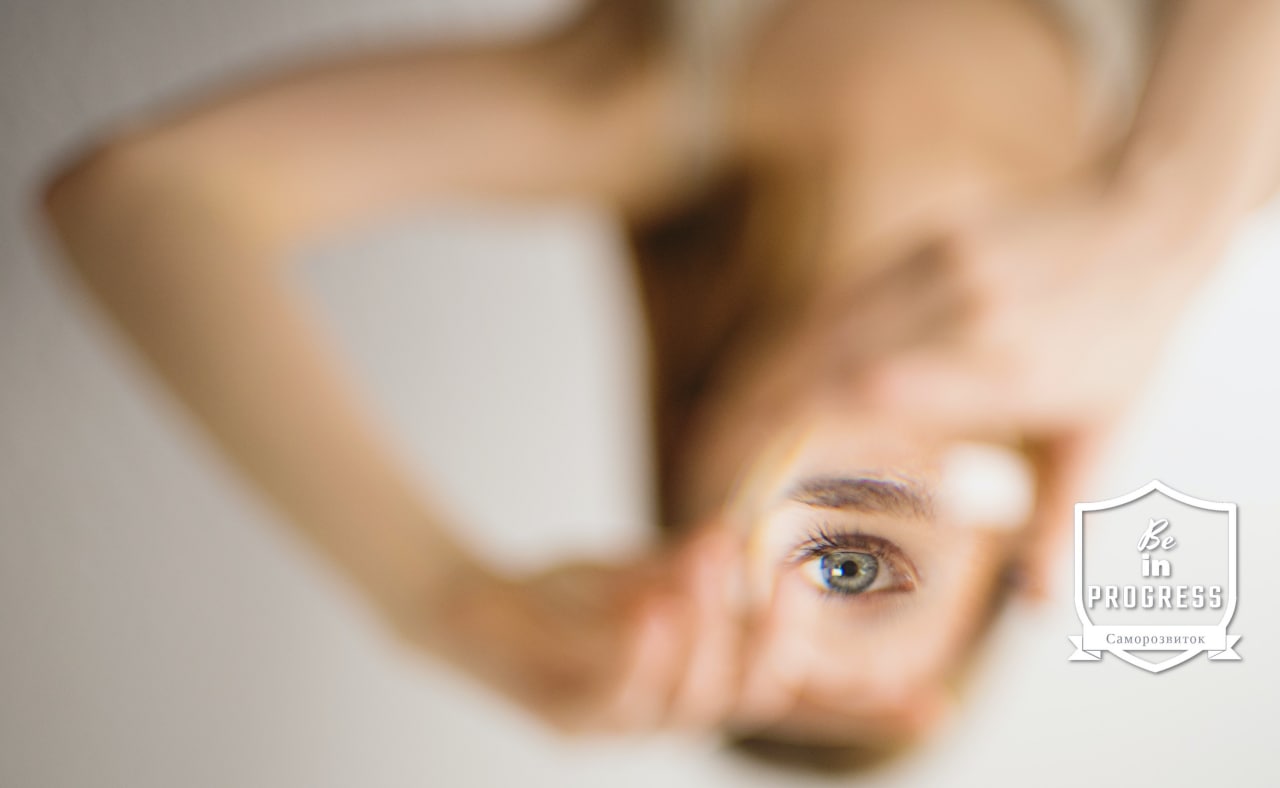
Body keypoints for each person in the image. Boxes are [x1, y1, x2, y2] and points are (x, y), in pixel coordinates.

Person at [40, 0, 1280, 769]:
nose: (793, 581)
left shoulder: (639, 90)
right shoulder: (1213, 142)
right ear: (1030, 510)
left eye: (734, 603)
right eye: (855, 572)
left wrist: (443, 598)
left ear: (697, 441)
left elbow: (136, 195)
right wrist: (1165, 216)